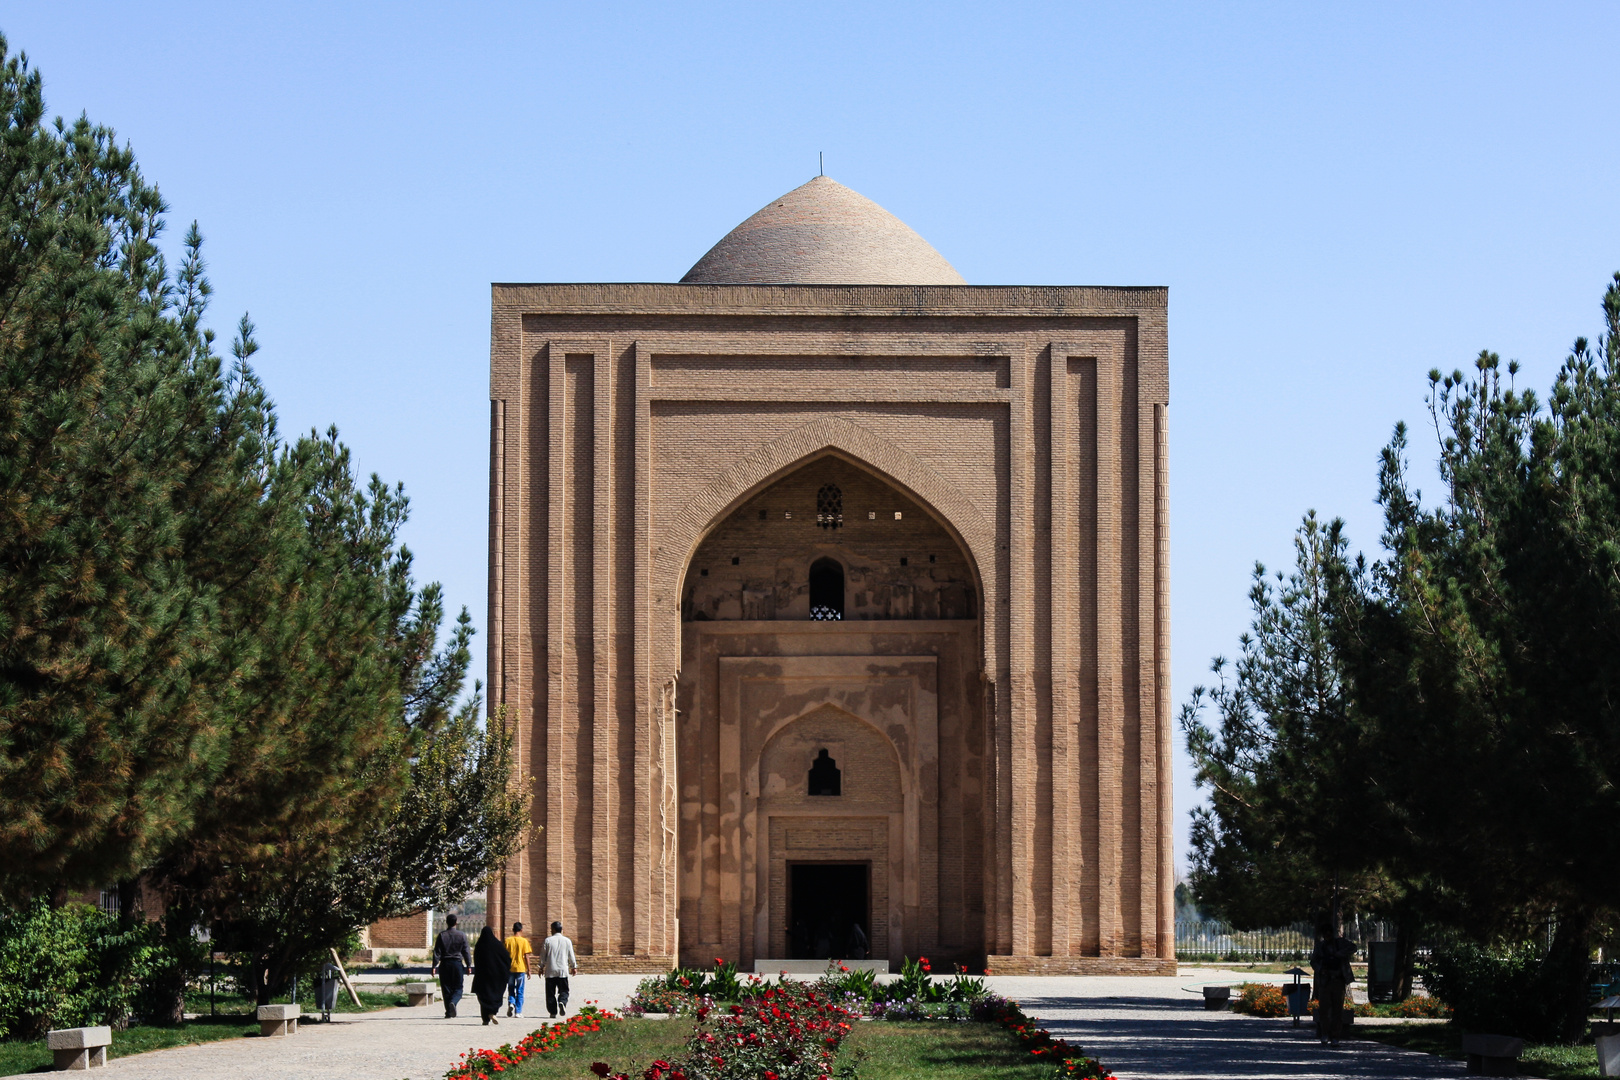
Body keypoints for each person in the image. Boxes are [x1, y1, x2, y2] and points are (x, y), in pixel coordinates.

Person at [1310, 915, 1356, 1047]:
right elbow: (1313, 961)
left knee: (1337, 1010)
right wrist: (1321, 969)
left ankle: (1335, 1036)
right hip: (1325, 980)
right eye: (1325, 934)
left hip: (1338, 980)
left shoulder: (1340, 943)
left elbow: (1353, 947)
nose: (1328, 936)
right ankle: (1325, 1034)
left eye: (1329, 933)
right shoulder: (1320, 947)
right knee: (1324, 1010)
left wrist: (1338, 954)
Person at [431, 913, 472, 1018]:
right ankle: (453, 1002)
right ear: (456, 923)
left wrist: (434, 966)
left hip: (445, 964)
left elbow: (437, 952)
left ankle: (449, 1012)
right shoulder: (461, 935)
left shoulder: (442, 935)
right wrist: (469, 965)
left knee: (446, 988)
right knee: (458, 987)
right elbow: (466, 951)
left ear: (446, 923)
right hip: (457, 964)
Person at [471, 925, 511, 1026]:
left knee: (483, 996)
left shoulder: (479, 945)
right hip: (496, 976)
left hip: (483, 976)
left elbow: (476, 960)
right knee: (495, 994)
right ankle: (492, 1012)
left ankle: (485, 1018)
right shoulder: (497, 945)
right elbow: (507, 958)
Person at [540, 920, 577, 1019]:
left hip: (550, 970)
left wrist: (541, 967)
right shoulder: (567, 940)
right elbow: (571, 955)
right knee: (564, 990)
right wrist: (574, 967)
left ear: (553, 929)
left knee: (550, 992)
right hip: (562, 970)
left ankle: (553, 1012)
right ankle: (562, 1001)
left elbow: (543, 956)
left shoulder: (548, 940)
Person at [504, 921, 533, 1017]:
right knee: (520, 990)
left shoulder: (507, 941)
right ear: (521, 930)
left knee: (511, 988)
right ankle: (518, 1012)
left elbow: (504, 956)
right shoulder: (524, 941)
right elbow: (526, 957)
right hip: (520, 968)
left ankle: (511, 1002)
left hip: (510, 968)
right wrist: (529, 970)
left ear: (513, 930)